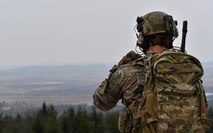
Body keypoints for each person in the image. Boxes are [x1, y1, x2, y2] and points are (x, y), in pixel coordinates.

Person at [93, 11, 208, 133]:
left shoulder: (127, 71)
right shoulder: (189, 72)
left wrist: (117, 71)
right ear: (171, 37)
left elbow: (101, 102)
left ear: (144, 37)